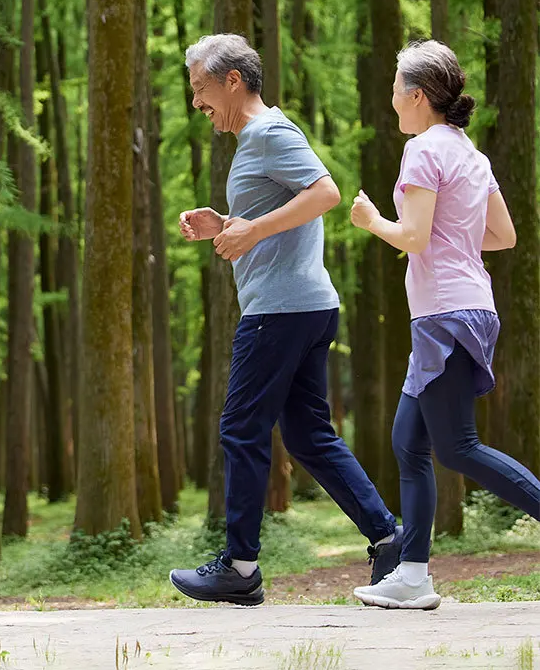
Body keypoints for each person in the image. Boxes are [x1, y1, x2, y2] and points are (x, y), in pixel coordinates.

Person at [169, 33, 400, 607]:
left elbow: (326, 193)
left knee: (241, 428)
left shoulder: (270, 132)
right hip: (304, 305)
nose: (197, 103)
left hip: (280, 310)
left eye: (201, 89)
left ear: (232, 81)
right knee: (308, 436)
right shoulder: (257, 138)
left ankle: (240, 567)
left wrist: (252, 229)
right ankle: (390, 539)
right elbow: (280, 212)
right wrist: (226, 222)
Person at [350, 39, 540, 611]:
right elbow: (502, 236)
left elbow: (411, 236)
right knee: (409, 441)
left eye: (394, 92)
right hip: (466, 307)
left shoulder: (423, 151)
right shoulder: (470, 153)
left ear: (417, 96)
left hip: (445, 314)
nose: (390, 103)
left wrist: (371, 220)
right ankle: (413, 573)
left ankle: (413, 572)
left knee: (455, 447)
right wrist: (450, 244)